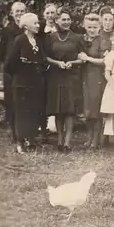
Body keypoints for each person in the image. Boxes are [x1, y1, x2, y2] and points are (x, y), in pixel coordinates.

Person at [5, 13, 46, 154]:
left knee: (33, 110)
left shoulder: (37, 41)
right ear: (26, 26)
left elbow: (41, 59)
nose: (38, 25)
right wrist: (21, 72)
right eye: (35, 23)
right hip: (21, 83)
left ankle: (31, 139)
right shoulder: (19, 40)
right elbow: (9, 64)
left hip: (35, 82)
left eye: (38, 23)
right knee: (21, 112)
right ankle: (20, 141)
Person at [45, 9, 84, 153]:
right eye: (63, 19)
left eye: (68, 19)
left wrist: (72, 62)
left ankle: (67, 142)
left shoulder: (77, 37)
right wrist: (57, 63)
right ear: (57, 21)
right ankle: (60, 140)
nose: (66, 22)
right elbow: (46, 57)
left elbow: (82, 58)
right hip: (56, 75)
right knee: (58, 109)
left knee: (69, 110)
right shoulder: (51, 37)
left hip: (71, 76)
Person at [0, 1, 26, 143]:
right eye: (17, 11)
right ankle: (15, 133)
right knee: (12, 102)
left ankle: (25, 133)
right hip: (11, 72)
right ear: (12, 13)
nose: (20, 14)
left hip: (26, 71)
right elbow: (2, 52)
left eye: (22, 11)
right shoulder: (7, 30)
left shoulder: (29, 29)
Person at [78, 15, 104, 149]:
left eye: (95, 27)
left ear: (99, 27)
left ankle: (96, 139)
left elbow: (104, 61)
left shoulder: (102, 41)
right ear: (85, 26)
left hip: (97, 77)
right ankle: (89, 137)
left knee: (96, 109)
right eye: (89, 27)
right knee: (87, 109)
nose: (92, 30)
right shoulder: (82, 39)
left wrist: (87, 58)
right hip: (84, 77)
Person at [37, 3, 58, 141]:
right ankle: (42, 130)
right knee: (41, 98)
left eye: (53, 13)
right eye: (48, 13)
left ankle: (54, 126)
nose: (50, 16)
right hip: (41, 68)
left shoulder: (60, 28)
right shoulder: (39, 29)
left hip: (56, 67)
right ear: (44, 15)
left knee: (53, 97)